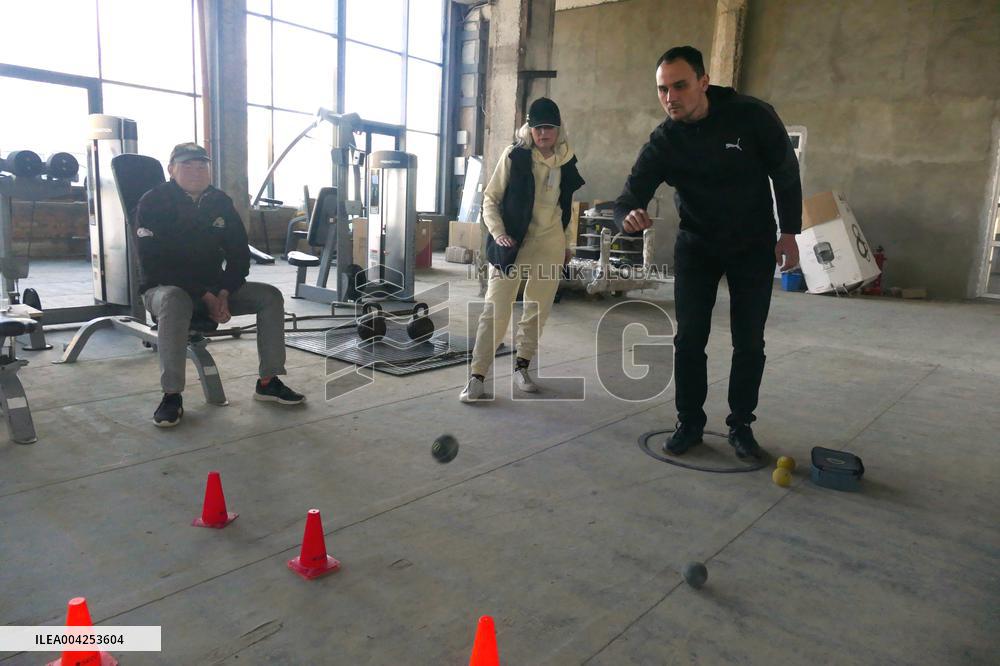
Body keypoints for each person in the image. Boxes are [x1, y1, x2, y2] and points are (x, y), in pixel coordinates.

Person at [614, 46, 801, 459]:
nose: (670, 97)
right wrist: (627, 216)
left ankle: (741, 426)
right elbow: (627, 198)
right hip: (697, 245)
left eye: (679, 86)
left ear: (703, 82)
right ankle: (689, 423)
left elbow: (786, 173)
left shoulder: (751, 116)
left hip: (752, 244)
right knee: (689, 338)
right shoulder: (665, 140)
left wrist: (789, 232)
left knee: (749, 341)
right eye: (662, 89)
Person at [135, 142, 305, 427]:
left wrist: (224, 291)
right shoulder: (153, 202)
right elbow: (157, 264)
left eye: (202, 165)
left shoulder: (220, 202)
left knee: (270, 296)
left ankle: (268, 381)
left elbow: (239, 253)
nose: (196, 171)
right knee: (175, 300)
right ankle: (172, 395)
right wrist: (205, 295)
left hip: (214, 290)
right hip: (164, 290)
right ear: (171, 169)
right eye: (187, 165)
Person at [459, 98, 585, 402]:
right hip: (513, 241)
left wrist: (567, 243)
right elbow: (490, 199)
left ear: (558, 130)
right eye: (538, 127)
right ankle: (477, 377)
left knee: (537, 309)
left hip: (550, 244)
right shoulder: (515, 156)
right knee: (496, 308)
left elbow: (565, 206)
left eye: (549, 128)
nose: (543, 133)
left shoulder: (567, 160)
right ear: (529, 129)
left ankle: (522, 366)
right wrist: (499, 233)